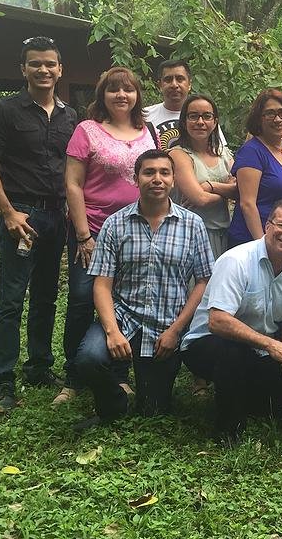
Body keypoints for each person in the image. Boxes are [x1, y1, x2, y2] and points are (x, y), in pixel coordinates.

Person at [74, 150, 214, 429]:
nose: (157, 179)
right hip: (123, 318)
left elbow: (203, 281)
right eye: (149, 172)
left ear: (173, 180)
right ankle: (114, 402)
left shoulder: (193, 225)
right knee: (89, 358)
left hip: (165, 326)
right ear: (135, 178)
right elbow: (102, 283)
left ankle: (146, 389)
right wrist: (112, 332)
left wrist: (176, 331)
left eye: (164, 172)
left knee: (154, 411)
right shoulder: (115, 223)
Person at [0, 37, 78, 412]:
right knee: (11, 300)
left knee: (47, 297)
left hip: (58, 216)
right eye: (35, 64)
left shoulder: (72, 116)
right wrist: (7, 212)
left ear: (60, 69)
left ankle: (38, 366)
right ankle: (2, 379)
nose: (43, 70)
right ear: (23, 69)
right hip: (21, 214)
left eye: (50, 63)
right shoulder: (4, 111)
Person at [180, 199, 282, 446]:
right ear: (268, 226)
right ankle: (228, 427)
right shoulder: (236, 260)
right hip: (208, 345)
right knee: (233, 352)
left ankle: (259, 406)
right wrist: (271, 345)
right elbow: (218, 321)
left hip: (258, 351)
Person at [60, 67, 157, 405]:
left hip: (135, 230)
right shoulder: (87, 131)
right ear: (102, 94)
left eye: (128, 89)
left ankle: (119, 373)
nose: (121, 95)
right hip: (94, 230)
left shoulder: (148, 131)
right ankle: (73, 377)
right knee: (83, 297)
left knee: (124, 300)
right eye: (113, 89)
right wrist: (84, 235)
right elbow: (72, 184)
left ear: (137, 96)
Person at [226, 89, 282, 248]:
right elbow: (247, 204)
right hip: (253, 239)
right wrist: (262, 246)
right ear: (258, 119)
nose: (277, 119)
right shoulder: (251, 151)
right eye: (270, 114)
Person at [170, 94, 237, 259]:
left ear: (215, 122)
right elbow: (200, 199)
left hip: (224, 233)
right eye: (193, 116)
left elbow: (241, 189)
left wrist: (210, 187)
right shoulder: (178, 155)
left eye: (207, 116)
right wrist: (226, 192)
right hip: (189, 236)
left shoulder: (224, 154)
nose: (200, 122)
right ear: (184, 122)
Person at [144, 59, 192, 150]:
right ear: (160, 85)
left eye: (180, 79)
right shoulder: (144, 115)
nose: (174, 85)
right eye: (168, 79)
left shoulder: (203, 118)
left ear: (189, 84)